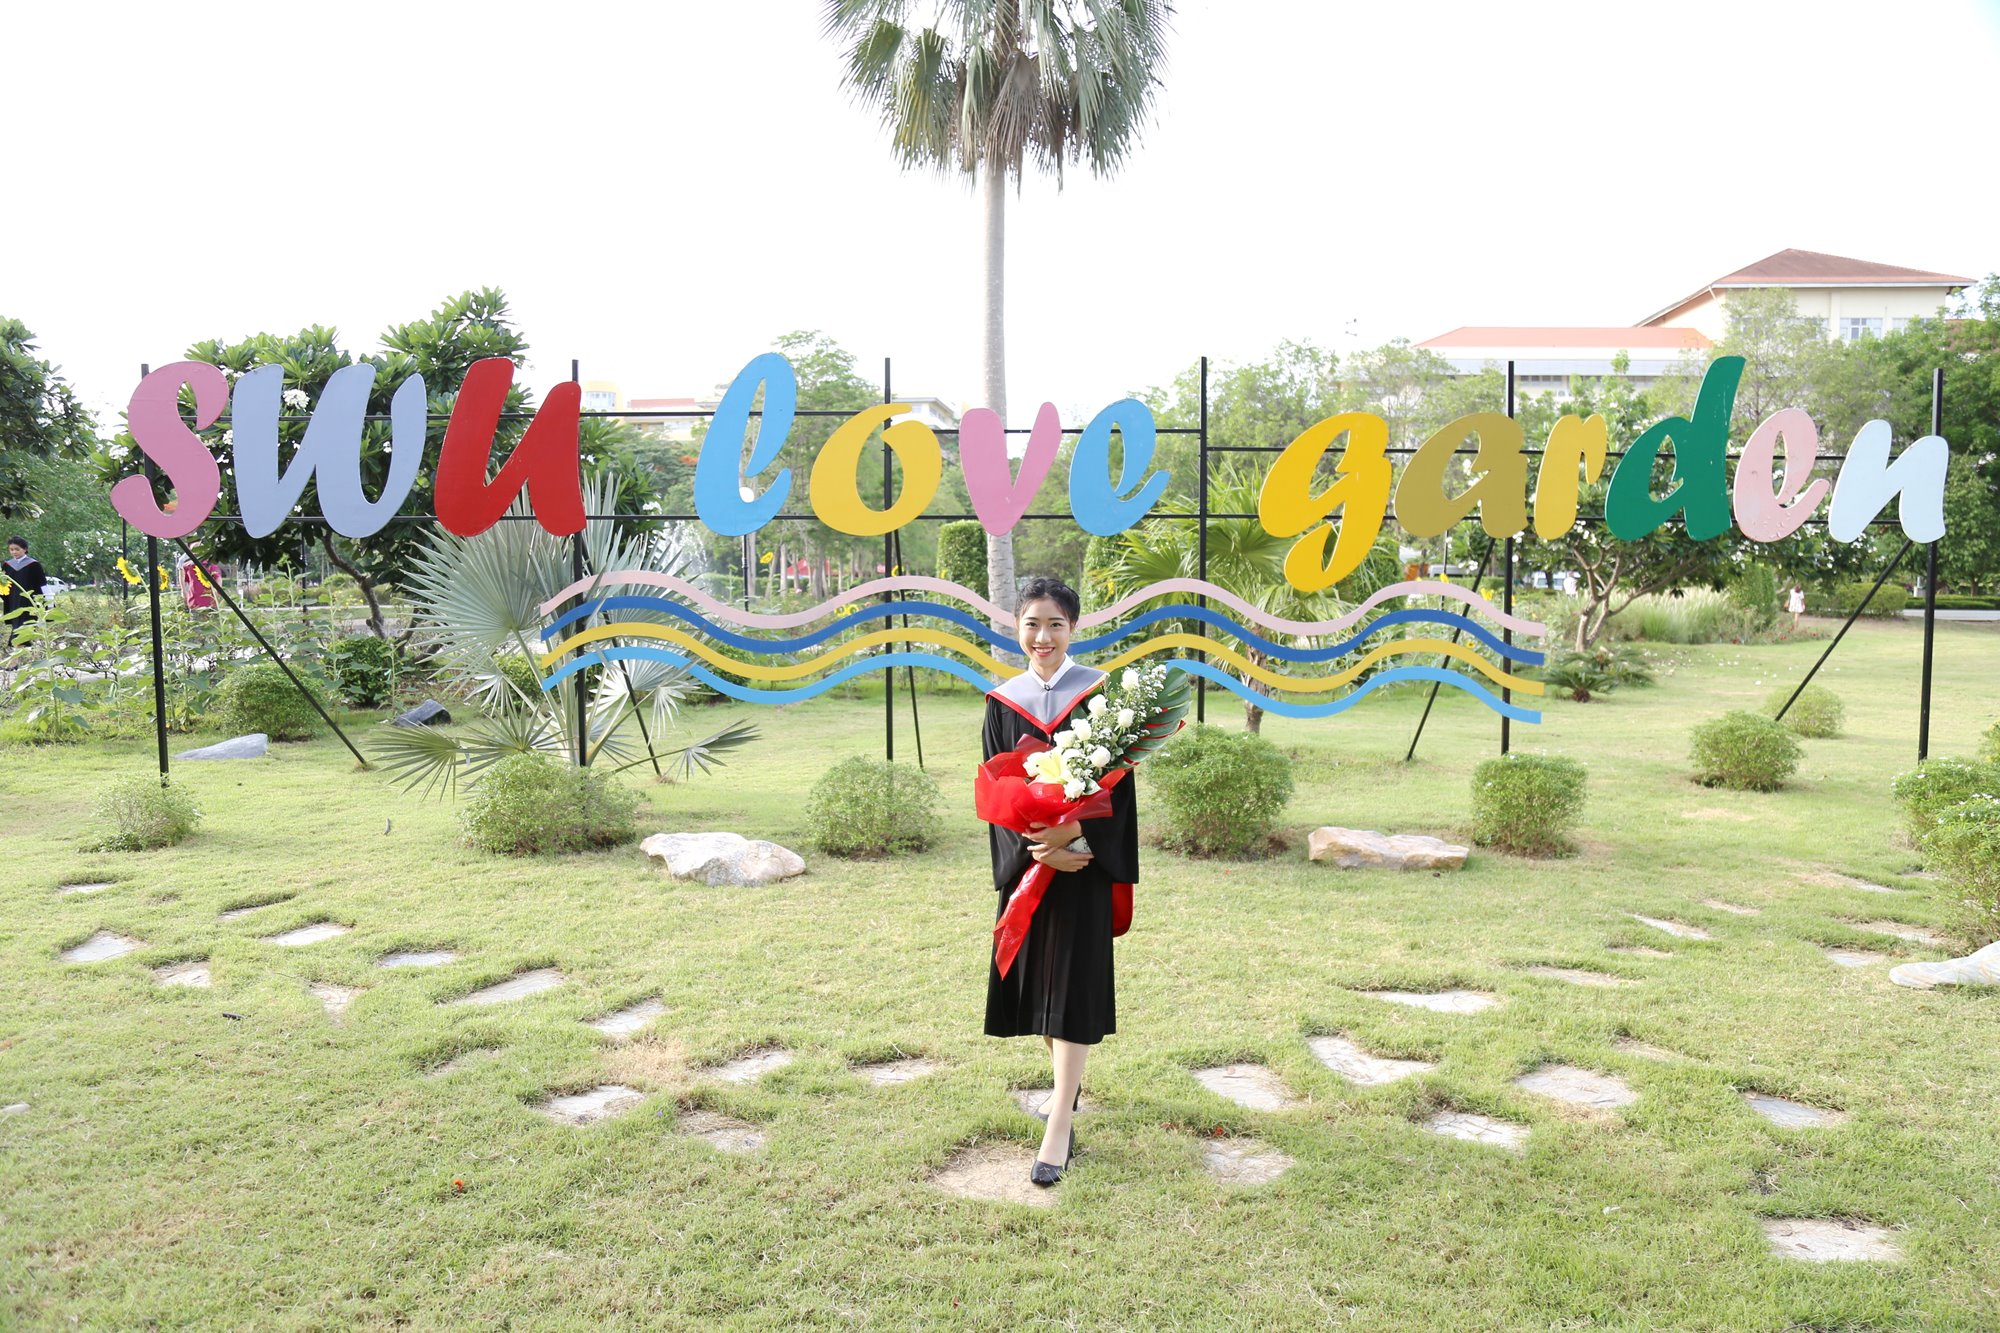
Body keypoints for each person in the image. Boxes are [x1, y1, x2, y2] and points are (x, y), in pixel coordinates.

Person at [981, 576, 1139, 1187]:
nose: (1042, 636)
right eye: (1032, 624)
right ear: (1017, 628)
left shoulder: (1103, 696)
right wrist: (1039, 850)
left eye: (1055, 625)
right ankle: (1065, 1092)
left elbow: (1120, 793)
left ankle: (1060, 1126)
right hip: (1031, 866)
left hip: (1083, 866)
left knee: (1071, 989)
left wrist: (1078, 842)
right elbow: (996, 789)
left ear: (1073, 628)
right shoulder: (1003, 701)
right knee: (1042, 990)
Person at [3, 535, 48, 646]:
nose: (14, 552)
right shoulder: (7, 565)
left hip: (29, 601)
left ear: (25, 549)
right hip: (13, 601)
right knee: (17, 628)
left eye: (17, 549)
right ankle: (20, 654)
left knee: (24, 629)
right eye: (11, 549)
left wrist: (48, 601)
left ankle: (18, 654)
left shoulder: (33, 565)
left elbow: (42, 584)